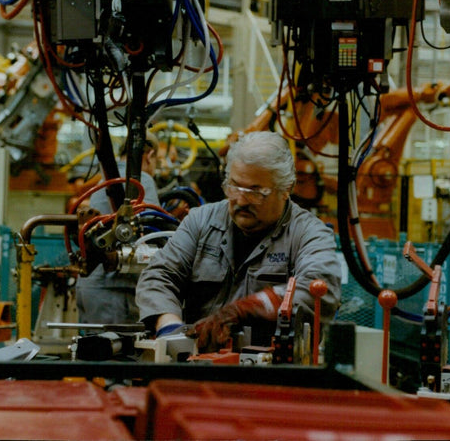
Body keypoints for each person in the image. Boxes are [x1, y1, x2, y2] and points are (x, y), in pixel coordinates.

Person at [136, 131, 341, 351]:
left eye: (256, 191)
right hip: (196, 363)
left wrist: (247, 309)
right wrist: (169, 328)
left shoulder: (308, 233)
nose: (241, 200)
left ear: (286, 190)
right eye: (234, 186)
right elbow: (159, 276)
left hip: (268, 372)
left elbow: (320, 290)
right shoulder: (200, 221)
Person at [75, 131, 161, 324]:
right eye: (158, 161)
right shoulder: (142, 181)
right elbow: (155, 231)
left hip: (89, 287)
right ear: (149, 156)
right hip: (114, 291)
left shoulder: (102, 180)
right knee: (116, 351)